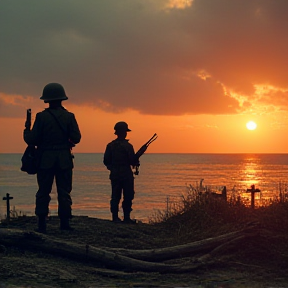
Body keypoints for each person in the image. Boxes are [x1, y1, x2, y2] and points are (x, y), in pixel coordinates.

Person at [23, 83, 81, 232]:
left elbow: (32, 139)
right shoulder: (69, 116)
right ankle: (65, 223)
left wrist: (26, 129)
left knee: (43, 191)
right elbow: (76, 137)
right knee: (64, 191)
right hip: (64, 159)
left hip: (45, 159)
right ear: (62, 98)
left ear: (47, 99)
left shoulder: (41, 117)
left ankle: (42, 224)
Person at [103, 121, 139, 223]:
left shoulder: (110, 145)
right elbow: (132, 160)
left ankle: (115, 217)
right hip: (126, 174)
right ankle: (126, 217)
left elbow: (106, 161)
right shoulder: (128, 146)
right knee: (128, 195)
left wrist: (113, 168)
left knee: (115, 196)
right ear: (124, 132)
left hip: (115, 174)